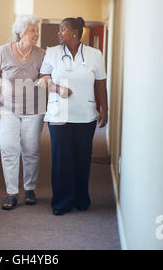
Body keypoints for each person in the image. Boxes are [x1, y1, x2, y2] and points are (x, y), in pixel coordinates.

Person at [38, 17, 108, 215]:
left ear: (75, 32)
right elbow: (43, 79)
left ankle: (80, 198)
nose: (59, 33)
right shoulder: (51, 53)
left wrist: (105, 109)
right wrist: (57, 87)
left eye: (63, 29)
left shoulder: (95, 54)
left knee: (82, 159)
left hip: (85, 115)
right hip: (59, 114)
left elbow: (101, 83)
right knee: (61, 159)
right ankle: (61, 202)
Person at [0, 15, 46, 210]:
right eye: (33, 30)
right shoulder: (3, 51)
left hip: (34, 110)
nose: (36, 34)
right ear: (21, 32)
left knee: (31, 150)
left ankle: (29, 188)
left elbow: (46, 78)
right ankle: (12, 192)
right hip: (8, 110)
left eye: (37, 31)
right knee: (8, 149)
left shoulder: (41, 54)